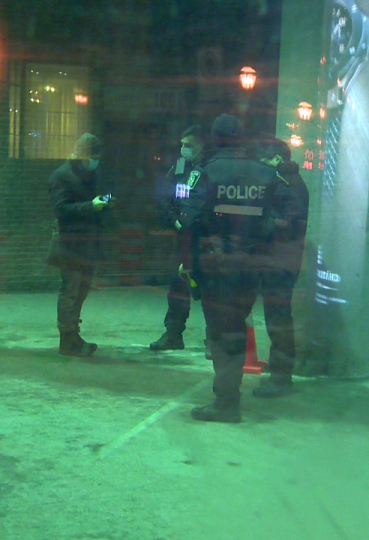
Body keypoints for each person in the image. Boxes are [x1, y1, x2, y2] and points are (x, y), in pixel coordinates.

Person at [179, 114, 284, 423]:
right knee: (237, 325)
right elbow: (278, 222)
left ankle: (226, 402)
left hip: (215, 266)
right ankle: (229, 395)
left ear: (215, 137)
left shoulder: (204, 173)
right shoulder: (267, 174)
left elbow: (189, 218)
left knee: (221, 332)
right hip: (251, 266)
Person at [251, 138, 309, 398]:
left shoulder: (290, 185)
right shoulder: (282, 183)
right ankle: (279, 371)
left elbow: (290, 223)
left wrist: (262, 223)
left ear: (276, 160)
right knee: (276, 319)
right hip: (277, 259)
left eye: (265, 160)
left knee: (279, 320)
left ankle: (282, 376)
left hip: (282, 261)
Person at [46, 133, 113, 356]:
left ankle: (73, 334)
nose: (95, 161)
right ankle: (67, 338)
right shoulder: (62, 176)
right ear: (84, 154)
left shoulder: (88, 174)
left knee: (80, 291)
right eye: (93, 156)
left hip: (86, 244)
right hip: (70, 244)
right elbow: (60, 210)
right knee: (70, 291)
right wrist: (90, 206)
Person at [149, 125, 211, 351]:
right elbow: (164, 195)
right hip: (182, 236)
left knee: (208, 289)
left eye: (189, 145)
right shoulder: (179, 167)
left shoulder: (209, 169)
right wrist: (174, 219)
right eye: (182, 144)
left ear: (201, 146)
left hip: (204, 239)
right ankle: (173, 334)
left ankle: (212, 339)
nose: (184, 149)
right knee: (177, 286)